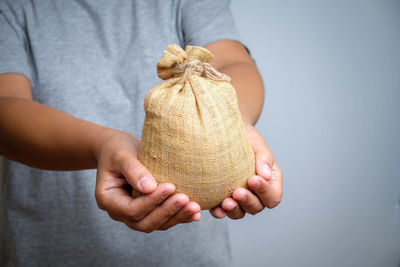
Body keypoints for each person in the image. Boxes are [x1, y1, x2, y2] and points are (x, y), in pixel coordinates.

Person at [0, 0, 283, 266]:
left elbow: (234, 62)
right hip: (49, 250)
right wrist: (102, 146)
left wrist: (233, 125)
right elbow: (6, 107)